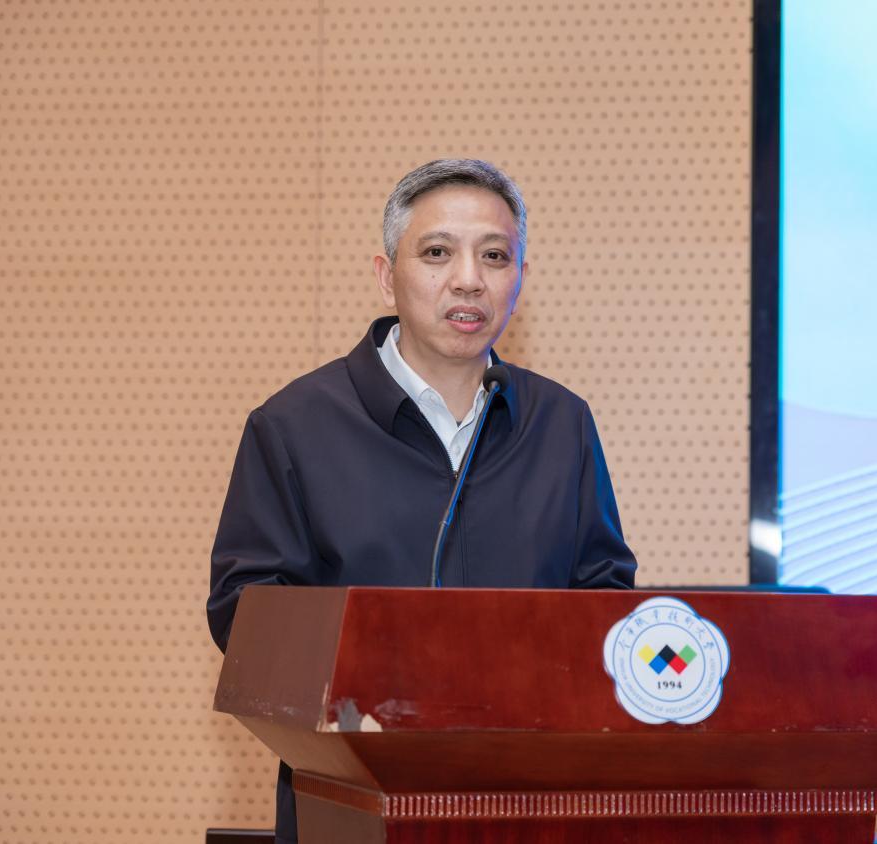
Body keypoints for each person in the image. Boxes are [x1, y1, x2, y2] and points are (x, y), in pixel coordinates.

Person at [207, 158, 636, 843]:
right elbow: (246, 615)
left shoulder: (561, 423)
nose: (468, 279)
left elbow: (605, 598)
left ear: (519, 279)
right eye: (437, 253)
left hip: (528, 804)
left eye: (494, 256)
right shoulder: (293, 426)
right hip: (351, 801)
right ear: (386, 276)